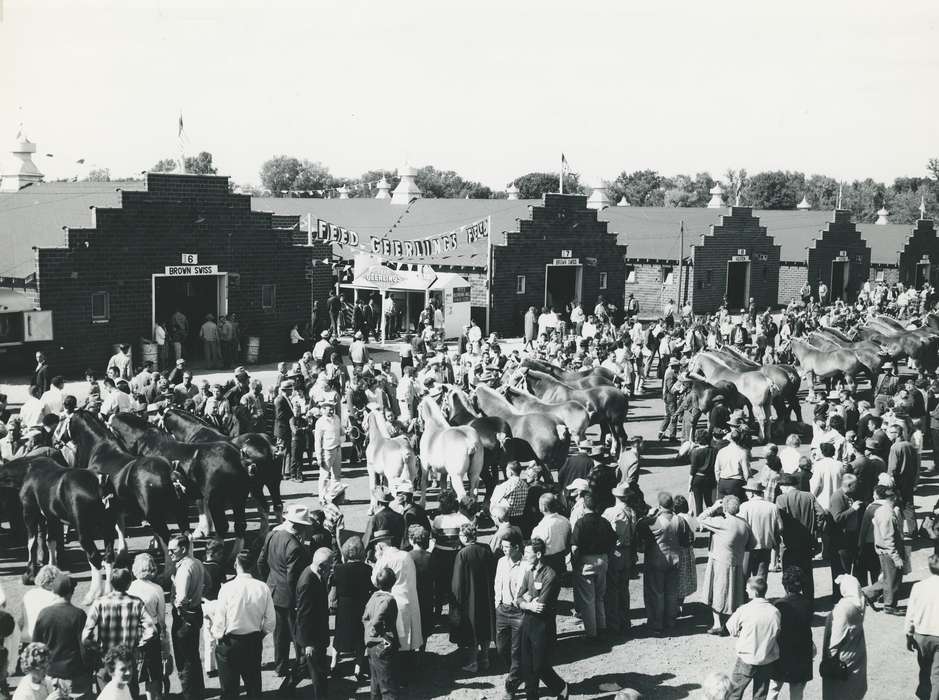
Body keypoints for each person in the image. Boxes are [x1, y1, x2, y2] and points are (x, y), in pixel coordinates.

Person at [257, 504, 313, 678]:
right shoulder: (295, 546)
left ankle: (280, 666)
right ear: (299, 526)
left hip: (274, 592)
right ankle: (301, 666)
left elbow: (261, 562)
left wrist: (270, 582)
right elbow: (292, 578)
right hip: (290, 597)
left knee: (279, 634)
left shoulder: (272, 535)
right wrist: (297, 600)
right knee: (298, 633)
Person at [210, 551, 275, 700]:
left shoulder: (227, 588)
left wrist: (218, 635)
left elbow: (220, 619)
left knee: (229, 690)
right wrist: (260, 634)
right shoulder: (262, 587)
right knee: (253, 687)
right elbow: (270, 621)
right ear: (252, 566)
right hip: (253, 641)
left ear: (235, 565)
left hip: (230, 642)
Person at [82, 567, 157, 693]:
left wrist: (98, 649)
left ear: (111, 583)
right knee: (129, 693)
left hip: (106, 658)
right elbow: (152, 631)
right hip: (127, 659)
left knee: (107, 694)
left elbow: (86, 637)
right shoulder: (136, 603)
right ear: (129, 584)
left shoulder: (99, 603)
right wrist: (138, 646)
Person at [516, 538, 568, 700]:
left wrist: (528, 600)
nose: (524, 556)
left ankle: (561, 688)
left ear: (538, 554)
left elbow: (541, 605)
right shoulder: (528, 572)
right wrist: (528, 604)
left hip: (542, 627)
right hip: (527, 623)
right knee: (527, 666)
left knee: (539, 665)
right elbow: (518, 597)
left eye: (527, 553)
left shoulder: (550, 576)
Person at [699, 495, 756, 634]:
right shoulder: (744, 523)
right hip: (737, 561)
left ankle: (717, 623)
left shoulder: (721, 522)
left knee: (719, 592)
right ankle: (732, 623)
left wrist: (713, 507)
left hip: (720, 561)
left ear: (724, 507)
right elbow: (752, 544)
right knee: (735, 593)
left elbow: (700, 519)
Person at [638, 492, 692, 635]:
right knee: (671, 592)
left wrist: (649, 515)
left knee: (656, 593)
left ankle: (656, 623)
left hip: (656, 560)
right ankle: (670, 621)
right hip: (675, 559)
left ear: (659, 505)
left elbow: (639, 529)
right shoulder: (680, 521)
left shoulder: (653, 521)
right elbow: (686, 541)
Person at [31, 574, 88, 697]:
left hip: (50, 674)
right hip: (74, 673)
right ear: (71, 593)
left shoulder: (44, 614)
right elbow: (84, 646)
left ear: (53, 591)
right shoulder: (79, 615)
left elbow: (35, 645)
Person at [725, 576, 780, 700]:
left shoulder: (744, 609)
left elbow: (730, 627)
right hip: (766, 658)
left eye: (747, 589)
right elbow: (777, 631)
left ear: (753, 592)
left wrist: (740, 633)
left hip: (746, 657)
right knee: (761, 694)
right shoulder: (774, 611)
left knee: (735, 691)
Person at [775, 473, 826, 606]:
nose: (780, 489)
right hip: (807, 542)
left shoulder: (781, 499)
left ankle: (791, 601)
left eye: (781, 486)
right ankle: (809, 601)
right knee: (807, 573)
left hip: (788, 543)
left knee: (788, 574)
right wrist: (816, 528)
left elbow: (778, 521)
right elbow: (821, 513)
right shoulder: (809, 496)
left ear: (785, 486)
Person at [450, 522, 495, 671]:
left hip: (470, 598)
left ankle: (473, 661)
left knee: (473, 629)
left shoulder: (462, 554)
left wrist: (456, 602)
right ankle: (486, 658)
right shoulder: (486, 549)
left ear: (464, 536)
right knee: (485, 626)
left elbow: (457, 583)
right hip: (486, 594)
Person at [290, 547, 334, 698]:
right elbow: (304, 615)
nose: (332, 567)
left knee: (303, 668)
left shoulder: (315, 573)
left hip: (315, 634)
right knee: (318, 674)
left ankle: (284, 692)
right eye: (330, 564)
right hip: (312, 638)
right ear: (322, 565)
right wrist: (308, 643)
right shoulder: (307, 582)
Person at [127, 554, 171, 700]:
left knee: (133, 670)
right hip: (152, 632)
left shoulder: (129, 588)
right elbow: (161, 617)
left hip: (133, 632)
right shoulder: (157, 589)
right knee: (153, 673)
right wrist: (164, 638)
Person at [167, 535, 205, 700]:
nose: (169, 553)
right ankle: (198, 690)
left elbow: (181, 598)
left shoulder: (183, 569)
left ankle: (189, 694)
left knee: (184, 658)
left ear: (183, 549)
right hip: (196, 612)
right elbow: (208, 583)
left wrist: (177, 605)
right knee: (194, 654)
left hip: (184, 617)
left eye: (172, 550)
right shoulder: (197, 563)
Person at [768, 567, 813, 700]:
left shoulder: (779, 605)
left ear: (785, 586)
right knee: (797, 690)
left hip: (783, 651)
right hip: (801, 651)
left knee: (774, 686)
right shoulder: (807, 603)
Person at [372, 541, 423, 657]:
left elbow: (376, 581)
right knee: (410, 634)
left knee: (398, 634)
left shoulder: (385, 558)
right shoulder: (406, 555)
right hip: (409, 596)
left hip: (394, 598)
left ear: (379, 547)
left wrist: (378, 559)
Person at [860, 486, 905, 614]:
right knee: (892, 579)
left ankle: (867, 594)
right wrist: (896, 557)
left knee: (887, 578)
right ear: (894, 497)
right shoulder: (888, 514)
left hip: (884, 551)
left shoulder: (881, 510)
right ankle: (889, 606)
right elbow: (888, 538)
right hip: (889, 552)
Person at [332, 537, 373, 676]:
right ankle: (358, 667)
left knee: (339, 634)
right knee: (359, 637)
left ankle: (333, 663)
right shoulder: (367, 569)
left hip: (344, 606)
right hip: (361, 604)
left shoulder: (338, 569)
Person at [822, 575, 868, 699]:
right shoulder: (859, 603)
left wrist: (829, 659)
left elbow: (836, 638)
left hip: (843, 658)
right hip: (856, 656)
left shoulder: (843, 609)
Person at [494, 529, 526, 698]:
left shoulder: (526, 564)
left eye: (506, 547)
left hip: (519, 613)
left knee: (516, 651)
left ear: (516, 547)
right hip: (502, 610)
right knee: (502, 648)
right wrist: (497, 604)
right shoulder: (501, 562)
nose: (503, 549)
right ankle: (517, 675)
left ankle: (511, 687)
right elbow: (497, 583)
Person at [602, 484, 637, 636]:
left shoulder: (610, 512)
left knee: (612, 588)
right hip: (628, 552)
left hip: (615, 551)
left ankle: (614, 623)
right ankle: (625, 620)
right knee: (624, 588)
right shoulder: (632, 512)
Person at [905, 554, 939, 700]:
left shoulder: (918, 586)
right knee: (937, 674)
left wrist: (908, 635)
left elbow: (910, 614)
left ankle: (924, 695)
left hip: (922, 635)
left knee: (925, 669)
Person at [363, 567, 400, 700]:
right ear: (393, 583)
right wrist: (384, 637)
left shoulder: (373, 597)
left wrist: (369, 635)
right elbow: (377, 620)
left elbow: (365, 617)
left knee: (376, 682)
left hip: (371, 646)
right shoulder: (388, 600)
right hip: (382, 645)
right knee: (387, 684)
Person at [827, 473, 863, 603]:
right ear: (849, 485)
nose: (858, 486)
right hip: (840, 540)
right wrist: (852, 510)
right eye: (856, 484)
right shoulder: (837, 497)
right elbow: (837, 518)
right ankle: (838, 596)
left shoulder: (850, 495)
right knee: (841, 569)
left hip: (850, 537)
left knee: (848, 567)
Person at [739, 478, 782, 579]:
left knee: (744, 577)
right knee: (761, 578)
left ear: (752, 493)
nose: (745, 493)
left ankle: (744, 595)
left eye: (747, 491)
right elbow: (780, 527)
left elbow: (740, 527)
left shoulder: (744, 507)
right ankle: (760, 594)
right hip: (766, 547)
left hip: (748, 547)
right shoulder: (773, 507)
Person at [18, 565, 62, 642]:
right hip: (45, 641)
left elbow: (22, 620)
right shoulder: (56, 598)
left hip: (26, 638)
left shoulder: (29, 594)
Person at [363, 488, 406, 557]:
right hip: (396, 552)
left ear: (378, 502)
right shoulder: (399, 516)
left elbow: (366, 541)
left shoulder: (375, 518)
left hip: (380, 554)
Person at [314, 401, 344, 498]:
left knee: (337, 475)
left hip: (337, 448)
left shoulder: (337, 418)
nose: (332, 411)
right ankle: (322, 497)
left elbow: (341, 431)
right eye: (329, 409)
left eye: (333, 408)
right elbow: (317, 441)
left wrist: (345, 433)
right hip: (326, 451)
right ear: (323, 410)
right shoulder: (320, 422)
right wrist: (318, 457)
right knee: (324, 475)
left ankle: (335, 496)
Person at [810, 442, 843, 511]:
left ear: (822, 453)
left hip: (823, 502)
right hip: (838, 501)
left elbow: (815, 485)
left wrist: (811, 498)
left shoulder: (819, 465)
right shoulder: (840, 465)